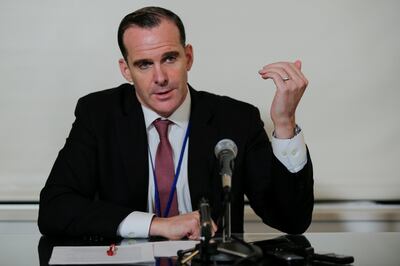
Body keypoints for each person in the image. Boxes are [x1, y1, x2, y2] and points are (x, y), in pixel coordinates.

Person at [38, 6, 313, 240]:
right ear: (126, 70)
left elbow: (292, 220)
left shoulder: (236, 119)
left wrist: (285, 122)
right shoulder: (98, 115)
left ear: (188, 57)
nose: (160, 77)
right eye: (144, 64)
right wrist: (157, 224)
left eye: (169, 58)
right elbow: (55, 209)